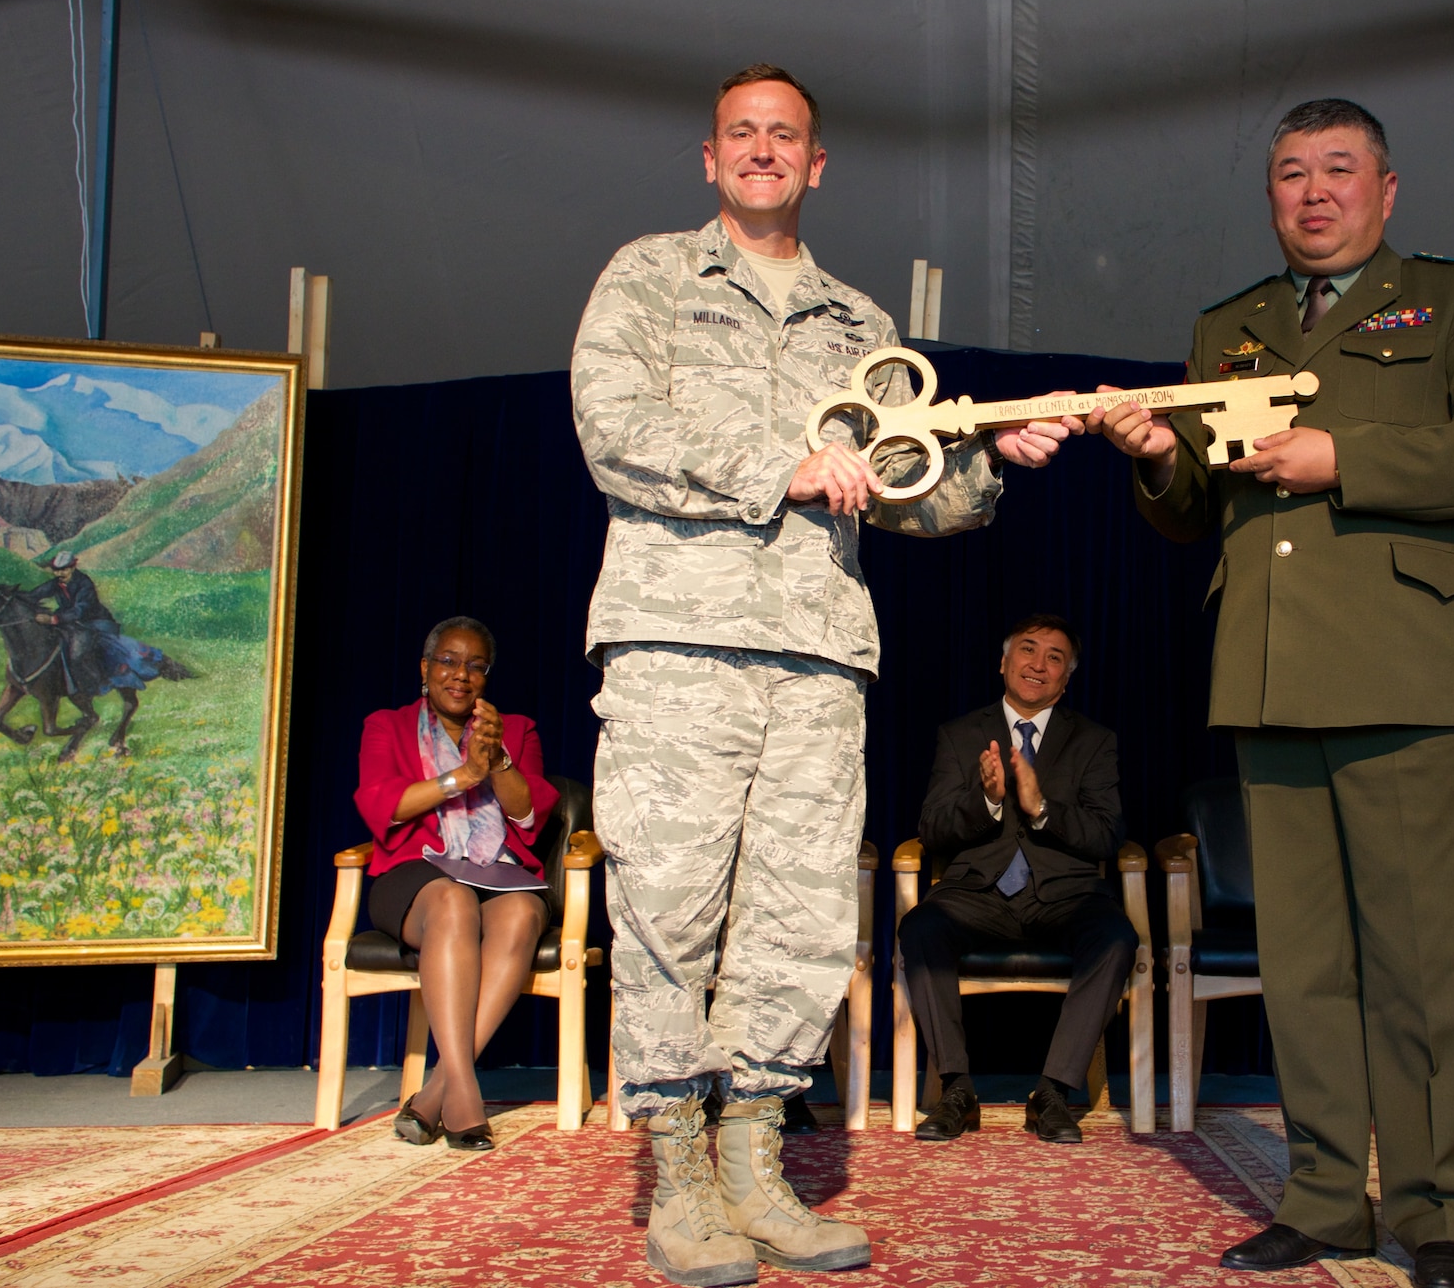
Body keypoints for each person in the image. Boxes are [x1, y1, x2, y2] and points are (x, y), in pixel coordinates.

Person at [570, 64, 1078, 1286]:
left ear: (815, 164)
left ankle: (757, 1160)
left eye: (782, 136)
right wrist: (783, 465)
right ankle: (678, 1172)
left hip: (814, 657)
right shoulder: (648, 276)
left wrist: (991, 458)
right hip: (674, 646)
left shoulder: (862, 328)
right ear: (709, 157)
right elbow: (612, 428)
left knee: (799, 923)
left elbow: (912, 493)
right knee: (669, 911)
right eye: (740, 133)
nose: (761, 150)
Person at [1088, 98, 1454, 1287]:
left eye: (1337, 170)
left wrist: (1343, 457)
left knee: (1420, 961)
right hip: (1267, 672)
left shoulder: (1453, 299)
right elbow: (1196, 507)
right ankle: (1323, 1197)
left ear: (1385, 190)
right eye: (1290, 174)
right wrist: (1155, 457)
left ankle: (1445, 1212)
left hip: (1404, 669)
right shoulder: (1228, 323)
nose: (1313, 192)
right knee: (1302, 967)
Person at [901, 614, 1130, 1145]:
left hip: (1066, 897)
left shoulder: (1094, 741)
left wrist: (1041, 807)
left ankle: (1053, 1092)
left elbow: (1106, 836)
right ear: (1004, 663)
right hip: (977, 894)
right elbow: (931, 830)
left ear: (1066, 678)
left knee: (1116, 937)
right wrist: (987, 801)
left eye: (1054, 658)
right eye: (1028, 650)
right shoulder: (960, 736)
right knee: (920, 929)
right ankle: (956, 1089)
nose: (1038, 664)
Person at [352, 616, 561, 1151]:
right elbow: (386, 806)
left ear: (486, 678)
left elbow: (528, 814)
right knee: (453, 900)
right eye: (447, 661)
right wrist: (462, 777)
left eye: (475, 666)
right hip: (417, 875)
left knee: (518, 914)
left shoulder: (515, 730)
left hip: (499, 871)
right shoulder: (387, 725)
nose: (460, 675)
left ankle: (436, 1091)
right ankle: (465, 1092)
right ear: (425, 669)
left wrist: (497, 762)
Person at [30, 549, 181, 691]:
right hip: (73, 624)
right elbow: (36, 593)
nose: (60, 573)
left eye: (64, 570)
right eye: (56, 570)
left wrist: (54, 619)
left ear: (73, 568)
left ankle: (97, 681)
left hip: (95, 623)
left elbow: (81, 609)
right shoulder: (57, 583)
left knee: (79, 652)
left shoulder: (84, 583)